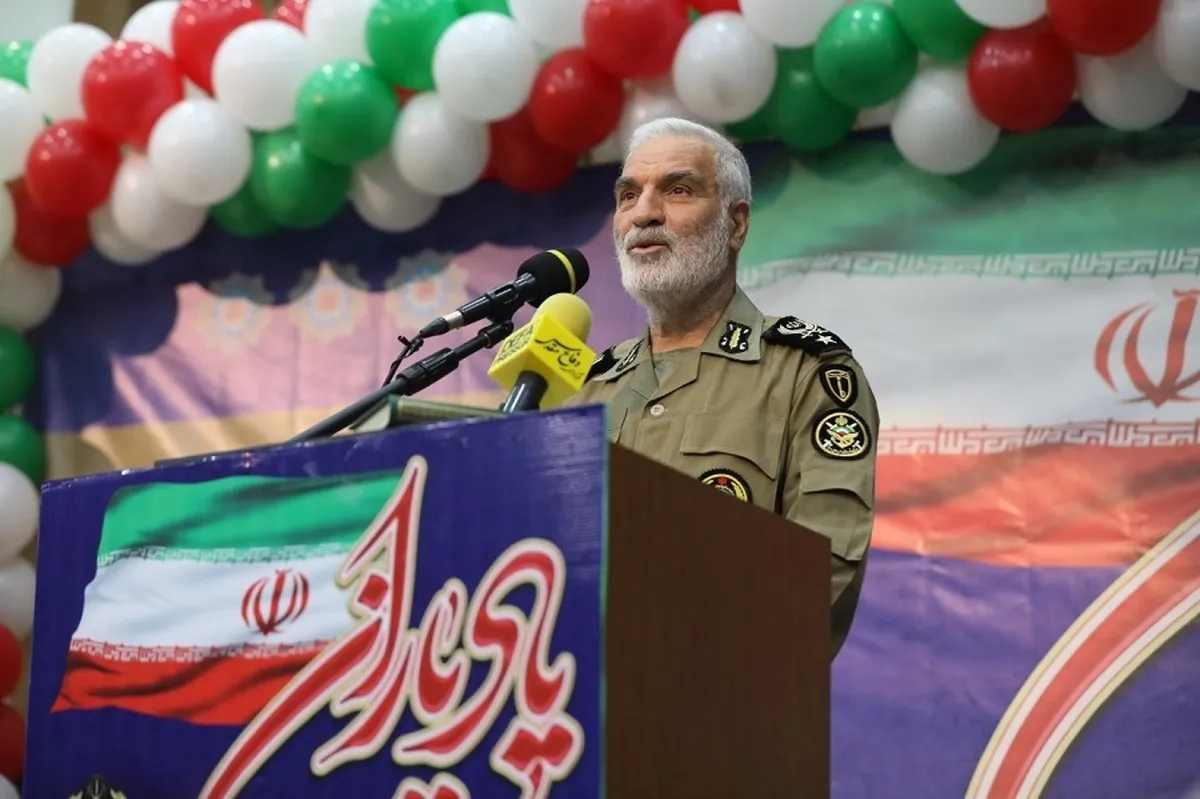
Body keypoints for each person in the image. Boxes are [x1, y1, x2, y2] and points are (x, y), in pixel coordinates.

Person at [566, 117, 879, 659]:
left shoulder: (806, 373)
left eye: (678, 190)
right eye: (628, 195)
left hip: (715, 695)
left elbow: (820, 572)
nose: (644, 213)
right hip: (573, 698)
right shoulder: (585, 390)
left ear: (736, 224)